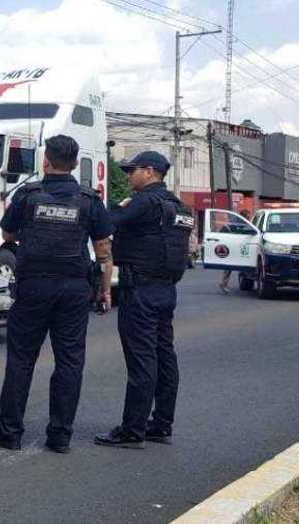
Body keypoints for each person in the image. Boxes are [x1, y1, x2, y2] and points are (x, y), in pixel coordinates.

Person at [0, 135, 114, 455]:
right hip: (73, 290)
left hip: (33, 288)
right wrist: (104, 290)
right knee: (70, 362)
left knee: (20, 360)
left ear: (46, 160)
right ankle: (60, 437)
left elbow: (7, 233)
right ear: (73, 163)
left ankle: (10, 432)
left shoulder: (28, 195)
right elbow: (103, 251)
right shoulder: (89, 200)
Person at [96, 151, 191, 449]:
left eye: (132, 170)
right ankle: (161, 424)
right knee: (164, 356)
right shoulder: (179, 207)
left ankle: (132, 429)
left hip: (139, 291)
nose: (128, 175)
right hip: (166, 290)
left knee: (142, 359)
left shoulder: (145, 203)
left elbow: (108, 222)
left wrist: (118, 206)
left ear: (149, 172)